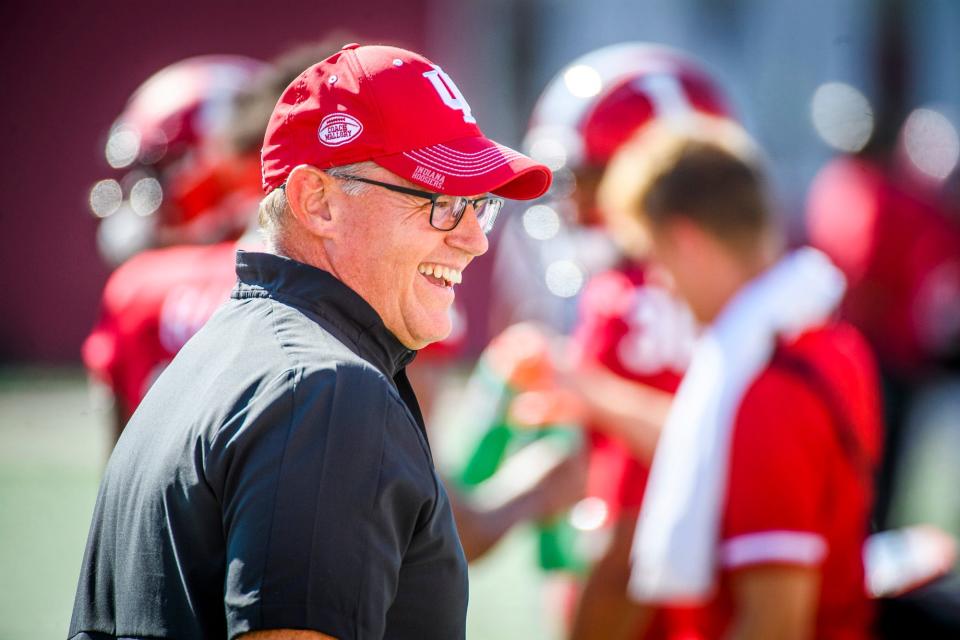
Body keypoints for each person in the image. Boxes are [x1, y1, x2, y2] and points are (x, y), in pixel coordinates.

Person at [69, 43, 551, 640]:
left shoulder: (217, 358)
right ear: (317, 202)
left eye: (479, 204)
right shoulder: (324, 390)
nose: (475, 239)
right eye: (442, 202)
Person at [601, 116, 883, 639]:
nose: (661, 284)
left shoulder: (768, 387)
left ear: (686, 240)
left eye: (657, 259)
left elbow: (773, 624)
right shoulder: (821, 337)